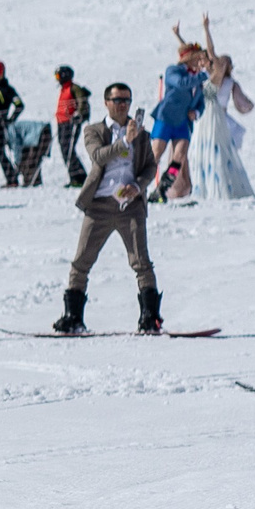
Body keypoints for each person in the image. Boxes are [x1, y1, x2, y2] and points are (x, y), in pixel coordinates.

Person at [50, 83, 163, 335]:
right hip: (99, 205)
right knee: (81, 261)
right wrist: (125, 141)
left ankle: (150, 316)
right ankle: (72, 316)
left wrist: (138, 185)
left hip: (129, 206)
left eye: (127, 100)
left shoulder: (142, 134)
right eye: (117, 100)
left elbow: (150, 167)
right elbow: (98, 157)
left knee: (141, 262)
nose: (123, 104)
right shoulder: (94, 130)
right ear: (106, 103)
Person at [194, 37, 255, 202]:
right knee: (213, 150)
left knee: (219, 151)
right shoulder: (210, 78)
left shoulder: (220, 81)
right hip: (209, 117)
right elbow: (209, 53)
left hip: (217, 118)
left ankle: (218, 186)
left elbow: (211, 52)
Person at [150, 35, 208, 201]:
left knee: (180, 155)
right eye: (198, 60)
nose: (200, 64)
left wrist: (196, 113)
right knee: (156, 153)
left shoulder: (197, 80)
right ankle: (139, 186)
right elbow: (181, 83)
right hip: (166, 118)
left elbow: (201, 102)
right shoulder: (173, 71)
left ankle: (164, 187)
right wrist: (204, 75)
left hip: (183, 122)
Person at [52, 66, 91, 187]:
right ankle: (75, 176)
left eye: (58, 76)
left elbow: (81, 101)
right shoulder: (64, 89)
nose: (57, 79)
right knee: (65, 149)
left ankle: (79, 177)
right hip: (62, 123)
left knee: (68, 149)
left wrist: (78, 114)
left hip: (71, 123)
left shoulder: (74, 88)